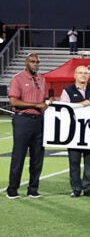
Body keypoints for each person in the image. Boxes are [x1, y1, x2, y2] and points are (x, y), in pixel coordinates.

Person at [6, 53, 49, 199]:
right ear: (26, 62)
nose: (35, 64)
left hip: (39, 120)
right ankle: (12, 189)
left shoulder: (42, 79)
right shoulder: (17, 78)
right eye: (32, 61)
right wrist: (36, 104)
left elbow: (45, 99)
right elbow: (14, 102)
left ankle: (33, 189)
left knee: (37, 156)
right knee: (19, 156)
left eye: (37, 62)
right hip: (22, 120)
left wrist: (49, 102)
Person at [60, 65, 90, 198]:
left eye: (86, 73)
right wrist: (80, 104)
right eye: (80, 73)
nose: (83, 75)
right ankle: (76, 189)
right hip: (74, 132)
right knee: (74, 162)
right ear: (75, 75)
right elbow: (63, 108)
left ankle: (88, 188)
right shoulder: (67, 91)